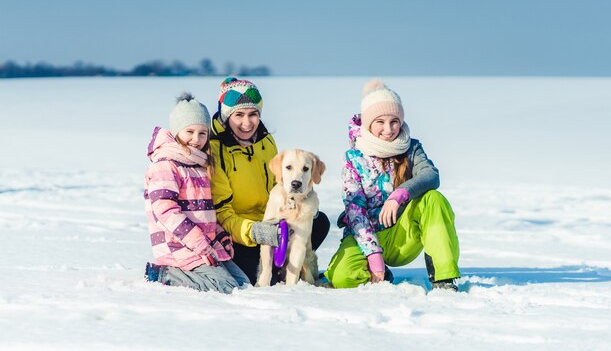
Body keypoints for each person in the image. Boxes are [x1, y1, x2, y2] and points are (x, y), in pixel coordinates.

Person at [324, 80, 461, 291]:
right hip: (365, 234)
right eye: (380, 122)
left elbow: (430, 175)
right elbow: (355, 209)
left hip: (402, 233)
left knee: (434, 199)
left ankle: (443, 278)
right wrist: (374, 254)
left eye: (394, 121)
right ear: (368, 123)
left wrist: (400, 194)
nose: (388, 130)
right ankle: (379, 273)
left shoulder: (412, 147)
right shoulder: (354, 157)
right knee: (343, 278)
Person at [210, 77, 330, 284]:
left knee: (320, 222)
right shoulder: (215, 150)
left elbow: (279, 185)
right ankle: (277, 269)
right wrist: (254, 231)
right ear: (226, 116)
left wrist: (297, 205)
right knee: (256, 276)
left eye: (253, 114)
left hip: (274, 221)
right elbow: (221, 213)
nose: (247, 123)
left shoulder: (266, 141)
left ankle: (291, 265)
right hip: (240, 232)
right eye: (238, 115)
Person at [143, 93, 249, 293]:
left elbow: (203, 212)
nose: (196, 139)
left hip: (203, 243)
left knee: (243, 283)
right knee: (227, 287)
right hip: (177, 246)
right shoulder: (166, 164)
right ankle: (165, 274)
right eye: (189, 131)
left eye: (202, 133)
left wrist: (220, 236)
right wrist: (200, 244)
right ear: (176, 131)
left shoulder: (198, 164)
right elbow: (165, 212)